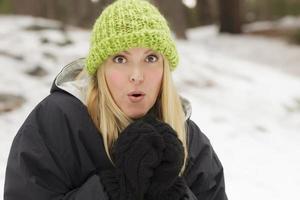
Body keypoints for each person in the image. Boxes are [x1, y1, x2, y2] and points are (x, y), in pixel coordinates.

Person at [4, 0, 228, 200]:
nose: (137, 76)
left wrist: (173, 192)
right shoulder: (56, 122)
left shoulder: (190, 140)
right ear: (100, 68)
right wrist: (114, 189)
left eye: (151, 58)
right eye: (120, 59)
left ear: (164, 68)